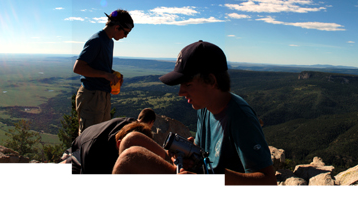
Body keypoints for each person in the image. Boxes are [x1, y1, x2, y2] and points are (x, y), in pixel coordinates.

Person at [109, 41, 277, 185]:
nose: (181, 92)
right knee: (132, 139)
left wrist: (209, 177)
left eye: (188, 84)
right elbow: (205, 153)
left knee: (130, 159)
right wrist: (189, 154)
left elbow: (268, 182)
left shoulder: (241, 118)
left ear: (211, 81)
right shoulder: (205, 106)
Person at [72, 9, 133, 129]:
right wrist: (106, 75)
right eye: (125, 32)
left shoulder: (109, 42)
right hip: (91, 96)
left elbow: (99, 66)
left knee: (101, 136)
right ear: (116, 27)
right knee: (89, 139)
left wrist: (113, 75)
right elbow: (78, 68)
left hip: (102, 96)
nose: (125, 36)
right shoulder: (97, 40)